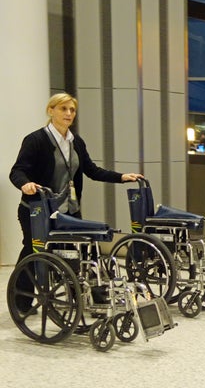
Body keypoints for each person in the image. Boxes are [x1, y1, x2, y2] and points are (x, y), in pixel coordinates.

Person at [10, 93, 143, 312]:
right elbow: (17, 171)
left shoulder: (75, 141)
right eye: (63, 109)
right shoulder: (36, 140)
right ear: (51, 110)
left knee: (81, 251)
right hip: (38, 210)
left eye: (72, 110)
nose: (69, 114)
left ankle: (88, 298)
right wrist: (25, 184)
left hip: (68, 211)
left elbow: (91, 170)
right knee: (33, 253)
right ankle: (20, 303)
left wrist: (121, 177)